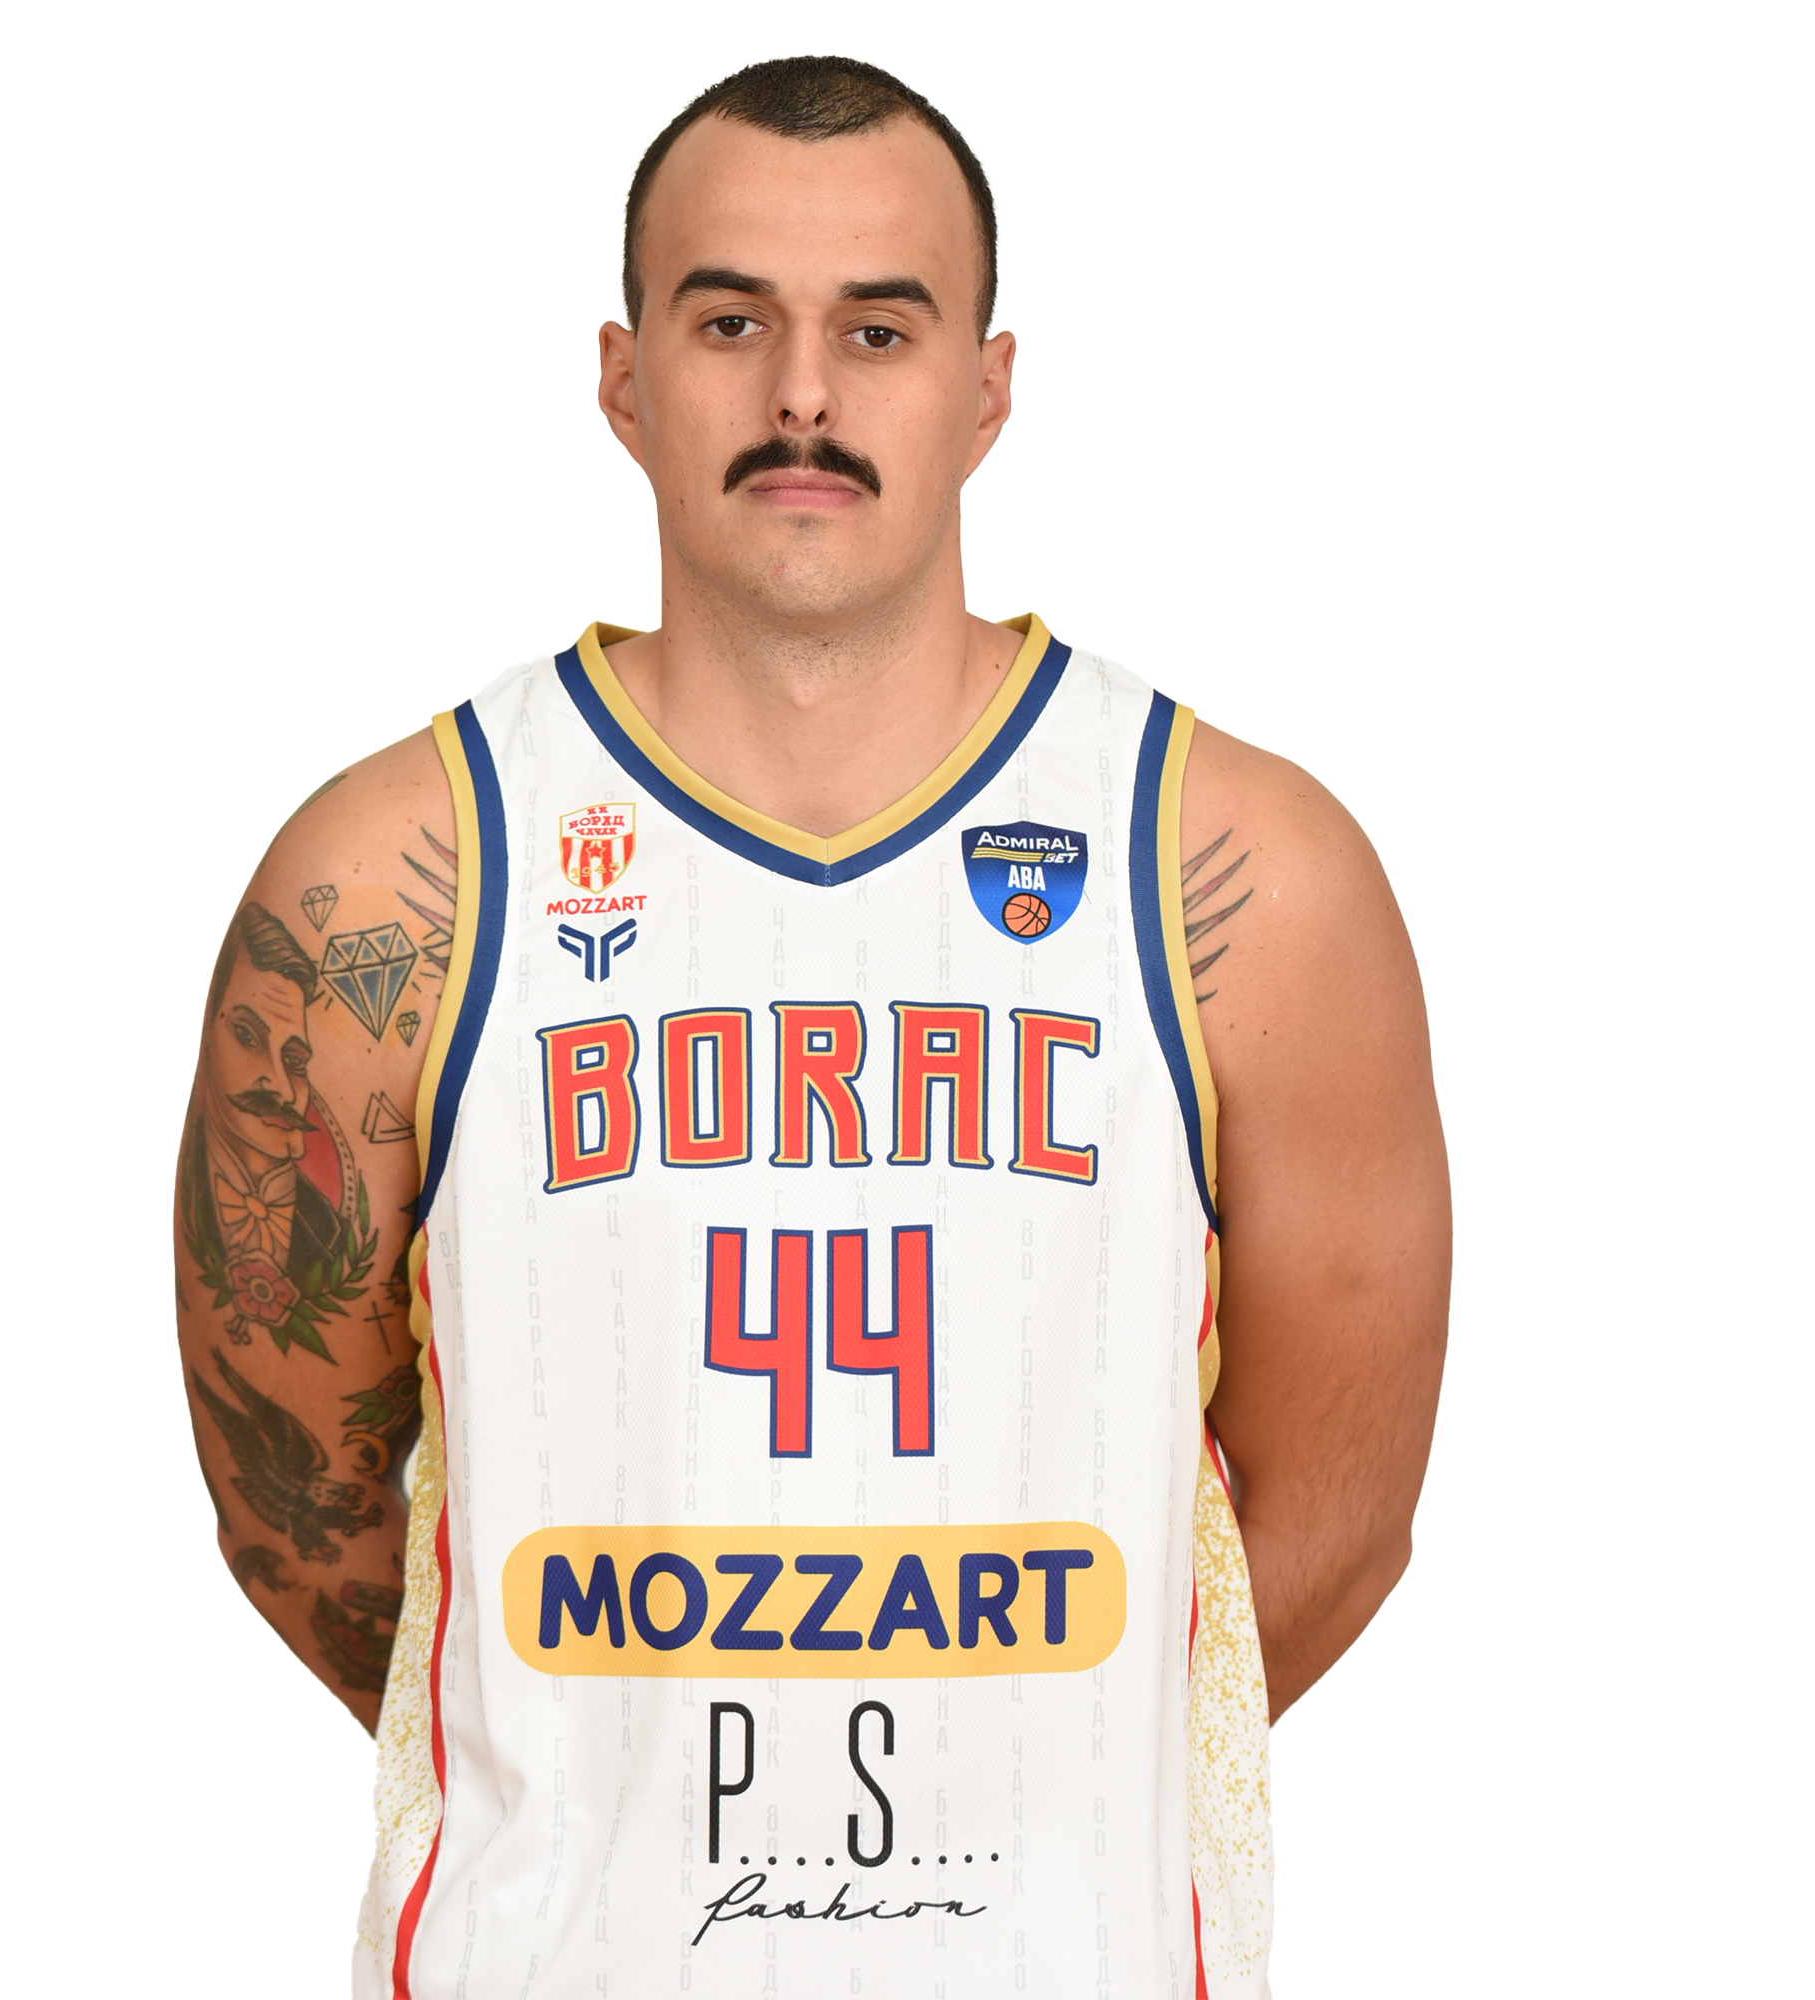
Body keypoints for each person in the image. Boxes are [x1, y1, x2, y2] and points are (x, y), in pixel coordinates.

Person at [175, 52, 1449, 2000]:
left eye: (878, 327)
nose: (801, 395)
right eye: (728, 322)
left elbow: (1338, 1522)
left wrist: (1039, 1761)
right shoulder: (390, 885)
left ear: (986, 389)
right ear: (623, 382)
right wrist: (574, 1763)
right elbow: (294, 1494)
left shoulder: (1244, 881)